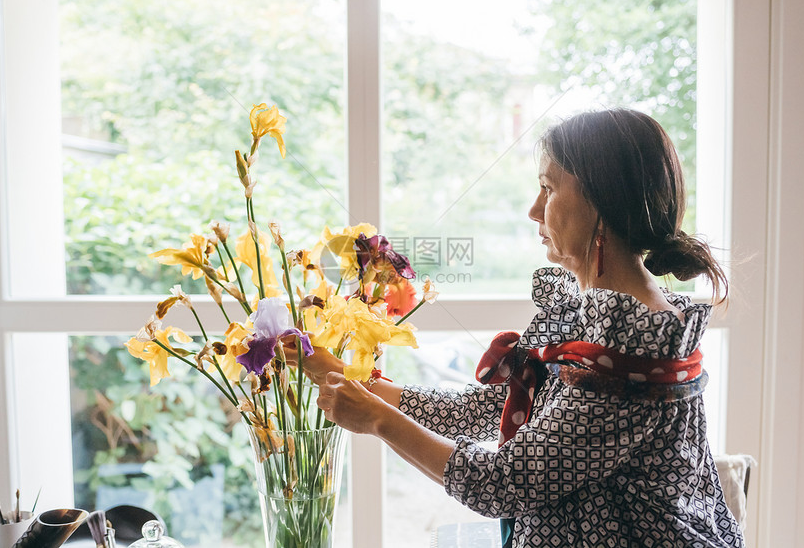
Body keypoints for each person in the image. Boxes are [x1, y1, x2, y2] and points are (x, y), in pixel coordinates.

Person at [294, 108, 745, 547]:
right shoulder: (605, 317)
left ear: (602, 205)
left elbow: (503, 483)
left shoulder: (632, 345)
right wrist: (346, 376)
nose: (534, 210)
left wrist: (377, 419)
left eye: (548, 189)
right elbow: (495, 406)